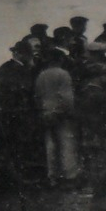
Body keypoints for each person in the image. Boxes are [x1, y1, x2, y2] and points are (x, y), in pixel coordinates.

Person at [33, 50, 80, 186]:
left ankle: (52, 176)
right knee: (67, 144)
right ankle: (69, 177)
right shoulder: (63, 74)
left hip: (45, 112)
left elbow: (37, 96)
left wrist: (43, 111)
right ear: (60, 59)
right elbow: (67, 97)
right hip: (61, 114)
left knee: (50, 144)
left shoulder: (41, 75)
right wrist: (67, 111)